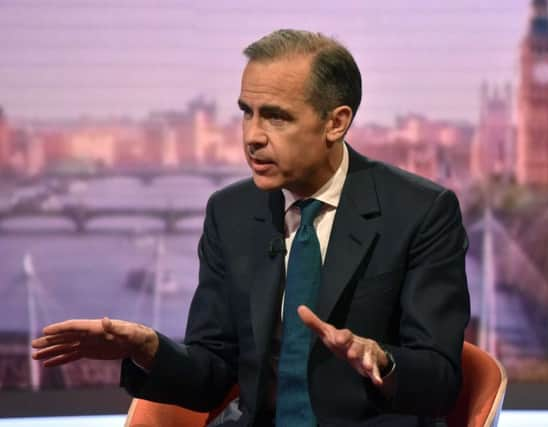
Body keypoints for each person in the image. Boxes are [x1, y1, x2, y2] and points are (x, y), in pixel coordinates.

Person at [32, 29, 470, 427]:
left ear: (335, 122)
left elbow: (440, 382)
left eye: (276, 117)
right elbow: (212, 373)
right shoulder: (231, 212)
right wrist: (147, 349)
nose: (253, 136)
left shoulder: (420, 212)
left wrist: (382, 362)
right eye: (247, 113)